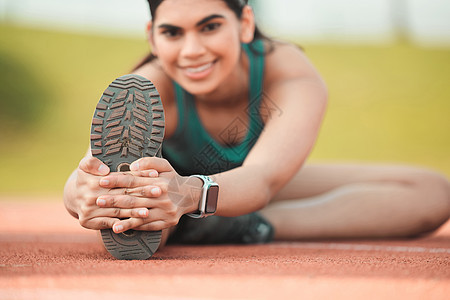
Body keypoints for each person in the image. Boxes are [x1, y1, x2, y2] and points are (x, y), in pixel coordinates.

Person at [64, 0, 450, 248]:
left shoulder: (287, 76)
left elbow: (263, 177)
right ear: (152, 36)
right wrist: (82, 197)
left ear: (245, 23)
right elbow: (85, 177)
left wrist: (192, 194)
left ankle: (242, 226)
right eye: (172, 33)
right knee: (146, 216)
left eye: (210, 26)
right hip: (165, 195)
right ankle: (171, 223)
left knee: (432, 191)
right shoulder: (149, 89)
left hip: (239, 189)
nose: (192, 49)